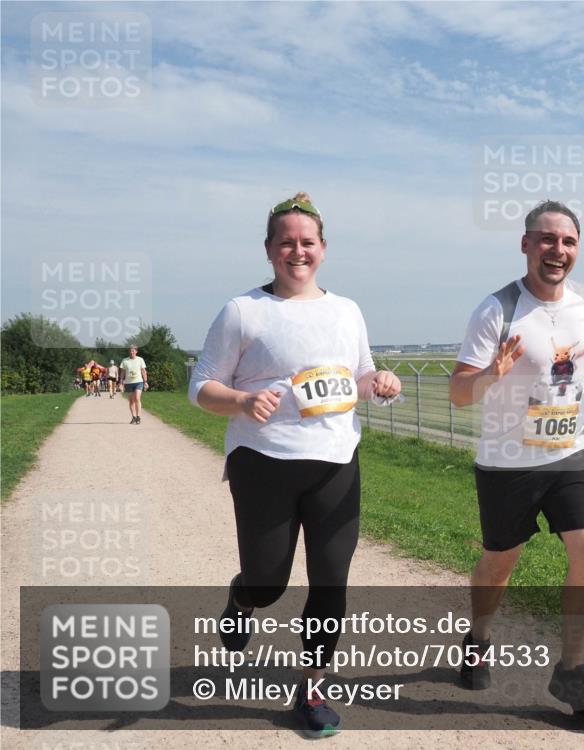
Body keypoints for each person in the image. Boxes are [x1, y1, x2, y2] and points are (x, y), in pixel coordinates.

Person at [188, 192, 401, 738]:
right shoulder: (242, 311)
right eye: (287, 242)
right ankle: (242, 598)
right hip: (264, 460)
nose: (297, 251)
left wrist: (378, 384)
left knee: (331, 581)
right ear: (268, 249)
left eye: (307, 242)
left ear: (324, 249)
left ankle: (312, 689)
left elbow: (356, 376)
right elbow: (201, 385)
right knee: (268, 582)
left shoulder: (347, 310)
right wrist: (239, 401)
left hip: (335, 460)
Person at [449, 200, 584, 721]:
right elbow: (459, 392)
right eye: (547, 239)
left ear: (577, 250)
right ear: (526, 245)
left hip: (570, 454)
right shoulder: (497, 309)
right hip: (508, 462)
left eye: (568, 241)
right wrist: (490, 375)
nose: (558, 250)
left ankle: (571, 672)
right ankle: (479, 637)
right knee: (500, 562)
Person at [121, 347, 147, 423]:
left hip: (138, 381)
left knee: (137, 398)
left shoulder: (140, 359)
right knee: (131, 401)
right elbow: (122, 372)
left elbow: (143, 371)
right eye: (130, 351)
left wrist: (145, 381)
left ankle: (138, 417)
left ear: (136, 352)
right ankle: (133, 417)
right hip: (128, 382)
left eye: (133, 351)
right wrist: (120, 382)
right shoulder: (125, 361)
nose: (131, 352)